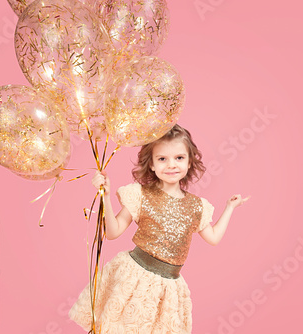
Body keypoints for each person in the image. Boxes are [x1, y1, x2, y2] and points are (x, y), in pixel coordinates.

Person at [68, 124, 249, 333]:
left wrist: (229, 207)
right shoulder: (141, 195)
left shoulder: (197, 207)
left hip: (169, 289)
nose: (171, 165)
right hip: (134, 280)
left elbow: (214, 237)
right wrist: (106, 197)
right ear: (151, 164)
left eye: (179, 158)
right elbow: (112, 232)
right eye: (162, 159)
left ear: (190, 162)